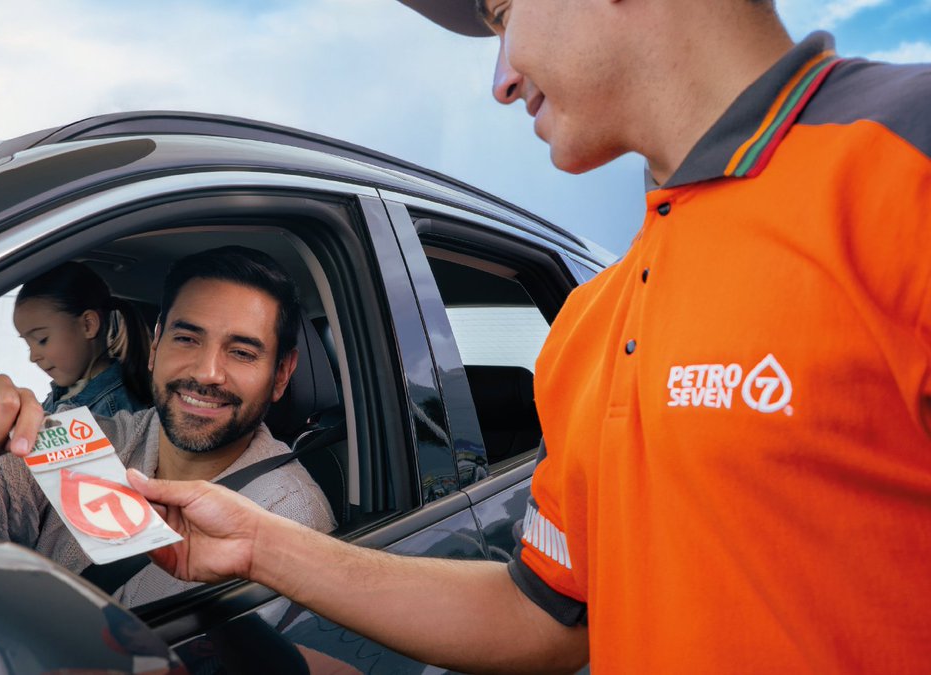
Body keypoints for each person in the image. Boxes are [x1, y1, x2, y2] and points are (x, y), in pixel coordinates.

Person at [115, 1, 930, 673]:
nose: (502, 80)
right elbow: (543, 617)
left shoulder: (906, 164)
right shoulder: (590, 325)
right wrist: (258, 543)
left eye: (504, 14)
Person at [0, 246, 336, 608]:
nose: (207, 372)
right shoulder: (92, 438)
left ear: (281, 375)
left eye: (242, 352)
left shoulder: (290, 516)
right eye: (187, 338)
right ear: (154, 346)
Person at [14, 261, 152, 416]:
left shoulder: (113, 413)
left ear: (88, 325)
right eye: (28, 345)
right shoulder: (66, 392)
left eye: (42, 339)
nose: (33, 357)